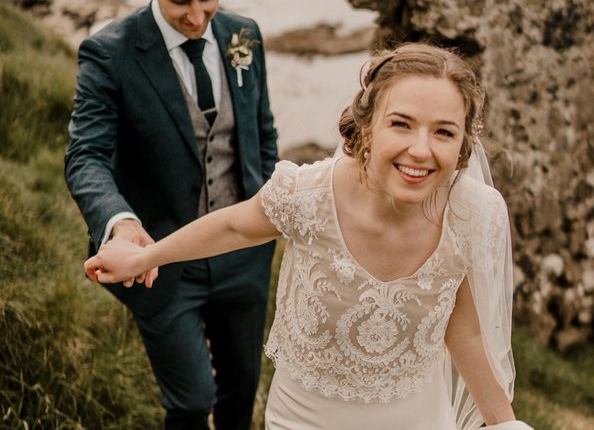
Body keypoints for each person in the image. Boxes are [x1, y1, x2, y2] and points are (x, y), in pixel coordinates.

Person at [84, 43, 534, 430]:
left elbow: (465, 333)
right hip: (304, 420)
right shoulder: (308, 196)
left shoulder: (473, 214)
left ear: (462, 146)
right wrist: (147, 257)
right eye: (401, 123)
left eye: (443, 132)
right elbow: (234, 225)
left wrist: (505, 424)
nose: (421, 149)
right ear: (367, 127)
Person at [65, 0, 279, 430]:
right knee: (190, 402)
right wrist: (120, 223)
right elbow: (86, 156)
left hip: (241, 255)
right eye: (180, 1)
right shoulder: (109, 53)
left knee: (239, 392)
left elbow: (263, 132)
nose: (197, 15)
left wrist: (270, 206)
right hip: (160, 260)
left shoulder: (243, 35)